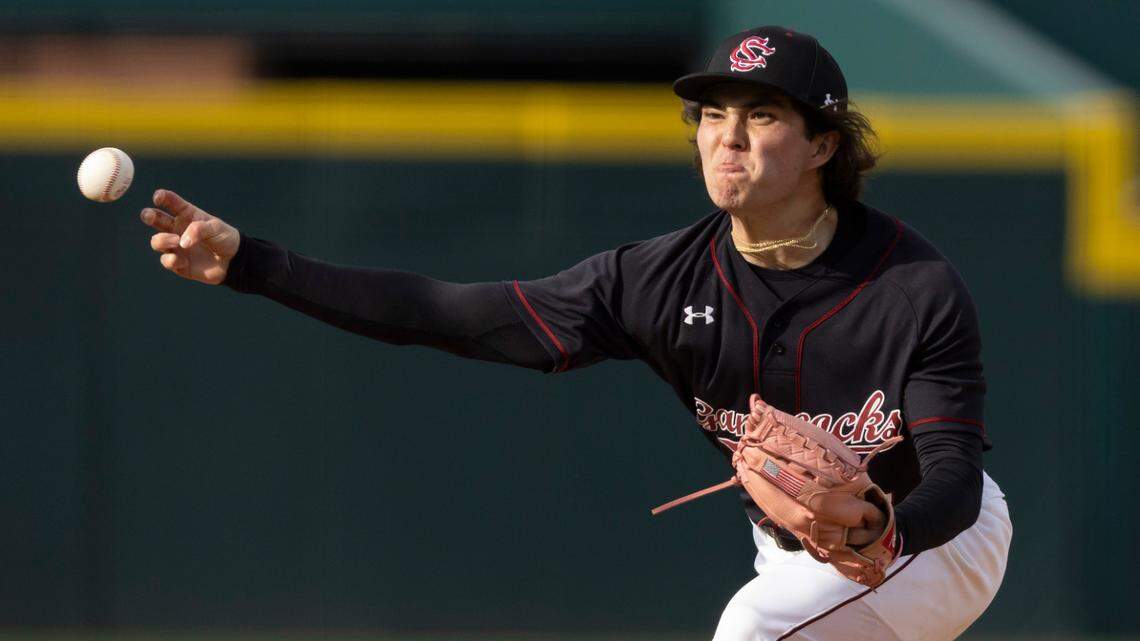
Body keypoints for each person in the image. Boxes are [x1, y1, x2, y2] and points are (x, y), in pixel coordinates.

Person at [139, 26, 1011, 641]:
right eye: (712, 114)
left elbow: (956, 481)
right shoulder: (656, 279)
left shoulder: (911, 284)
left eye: (762, 115)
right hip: (793, 554)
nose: (728, 138)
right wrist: (251, 262)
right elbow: (451, 313)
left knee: (753, 630)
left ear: (823, 145)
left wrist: (884, 533)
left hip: (935, 542)